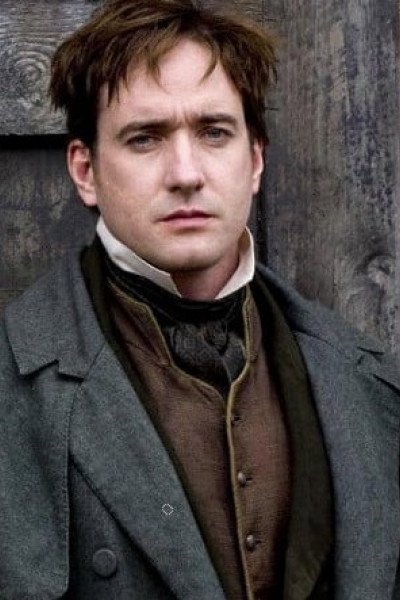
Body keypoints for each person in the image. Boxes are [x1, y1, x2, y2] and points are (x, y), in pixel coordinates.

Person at [0, 0, 399, 598]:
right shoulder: (13, 387)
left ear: (255, 159)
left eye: (214, 132)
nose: (185, 173)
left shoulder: (369, 384)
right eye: (145, 138)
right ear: (85, 170)